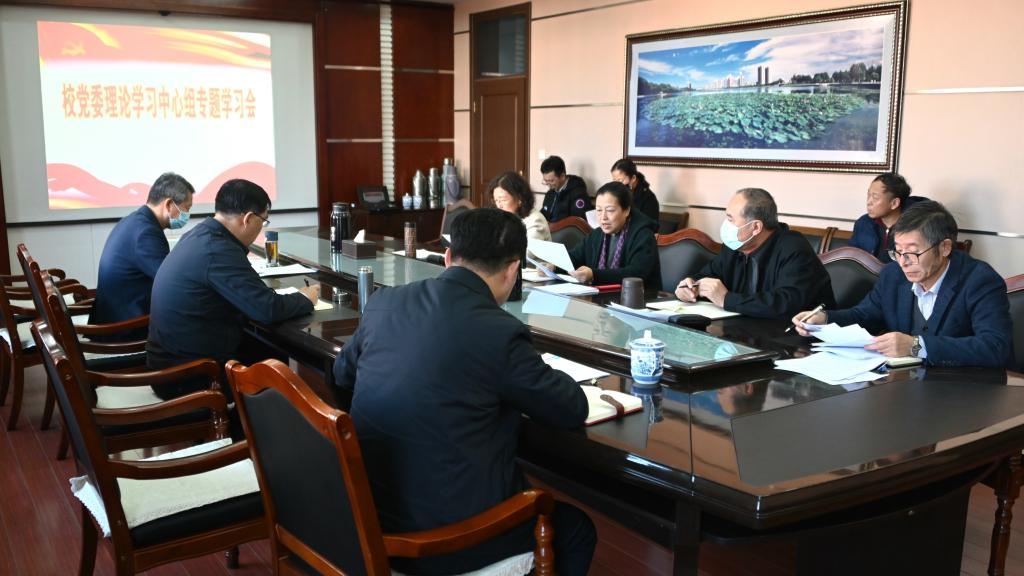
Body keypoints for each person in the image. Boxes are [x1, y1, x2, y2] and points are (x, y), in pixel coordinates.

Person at [333, 208, 596, 576]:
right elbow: (570, 408)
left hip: (367, 518)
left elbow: (341, 374)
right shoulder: (498, 331)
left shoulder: (384, 302)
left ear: (447, 257)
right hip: (448, 542)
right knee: (577, 530)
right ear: (512, 271)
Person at [147, 179, 319, 399]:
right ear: (248, 218)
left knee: (265, 348)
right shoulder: (218, 250)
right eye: (263, 221)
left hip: (169, 364)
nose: (261, 228)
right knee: (271, 360)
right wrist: (305, 298)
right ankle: (262, 419)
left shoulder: (201, 234)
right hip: (189, 377)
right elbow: (267, 309)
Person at [794, 201, 1012, 368]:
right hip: (905, 385)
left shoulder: (979, 281)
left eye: (913, 252)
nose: (903, 262)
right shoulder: (894, 275)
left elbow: (995, 347)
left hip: (960, 391)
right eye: (898, 251)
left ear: (945, 248)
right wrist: (824, 320)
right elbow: (865, 315)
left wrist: (916, 346)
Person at [675, 188, 835, 320]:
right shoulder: (734, 247)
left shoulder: (794, 248)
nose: (725, 225)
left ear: (756, 227)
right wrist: (690, 286)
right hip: (744, 332)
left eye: (731, 219)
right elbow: (708, 275)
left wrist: (727, 299)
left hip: (795, 338)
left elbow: (786, 304)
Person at [89, 172, 194, 340]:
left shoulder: (134, 221)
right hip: (126, 330)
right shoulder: (146, 233)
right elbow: (172, 283)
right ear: (169, 204)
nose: (187, 214)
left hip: (116, 318)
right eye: (186, 208)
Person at [568, 181, 661, 289]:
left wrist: (594, 274)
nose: (603, 217)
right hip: (600, 295)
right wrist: (554, 266)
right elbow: (574, 257)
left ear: (626, 211)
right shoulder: (597, 234)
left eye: (610, 210)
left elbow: (636, 273)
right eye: (599, 210)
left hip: (639, 296)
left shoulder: (643, 235)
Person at [849, 173, 927, 262]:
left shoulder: (918, 227)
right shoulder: (863, 223)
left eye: (875, 197)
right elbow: (852, 258)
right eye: (868, 195)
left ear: (894, 203)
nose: (869, 202)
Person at [489, 170, 550, 241]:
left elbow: (526, 248)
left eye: (503, 200)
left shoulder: (535, 222)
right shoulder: (508, 217)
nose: (499, 206)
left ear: (519, 199)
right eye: (496, 200)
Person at [538, 155, 591, 223]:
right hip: (549, 228)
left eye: (551, 181)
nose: (548, 184)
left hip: (565, 229)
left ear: (562, 176)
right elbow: (543, 213)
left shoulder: (578, 193)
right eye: (546, 181)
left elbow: (577, 222)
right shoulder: (550, 193)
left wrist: (552, 226)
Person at [611, 158, 660, 223]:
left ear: (633, 178)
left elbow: (650, 224)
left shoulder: (649, 199)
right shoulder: (620, 194)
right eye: (615, 181)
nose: (617, 185)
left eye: (620, 180)